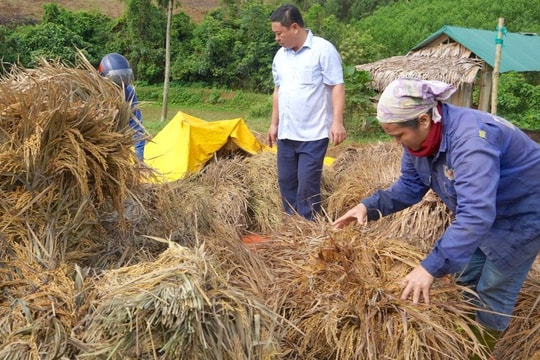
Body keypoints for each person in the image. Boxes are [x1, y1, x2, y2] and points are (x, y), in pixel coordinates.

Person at [333, 78, 540, 354]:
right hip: (485, 209)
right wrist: (367, 208)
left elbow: (476, 215)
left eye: (398, 135)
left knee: (493, 289)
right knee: (465, 277)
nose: (397, 144)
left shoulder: (470, 142)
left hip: (523, 213)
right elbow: (409, 186)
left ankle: (477, 352)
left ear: (423, 120)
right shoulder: (419, 142)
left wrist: (429, 267)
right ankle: (461, 338)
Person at [267, 4, 347, 221]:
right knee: (286, 182)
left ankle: (309, 230)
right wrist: (274, 124)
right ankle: (292, 227)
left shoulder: (323, 50)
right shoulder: (280, 57)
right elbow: (278, 91)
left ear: (294, 27)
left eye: (279, 33)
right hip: (286, 133)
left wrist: (337, 122)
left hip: (313, 133)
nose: (277, 38)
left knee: (307, 184)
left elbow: (337, 86)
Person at [98, 53, 145, 161]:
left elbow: (137, 126)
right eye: (117, 81)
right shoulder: (92, 91)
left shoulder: (128, 92)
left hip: (116, 141)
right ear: (103, 77)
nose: (121, 86)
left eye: (125, 78)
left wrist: (139, 159)